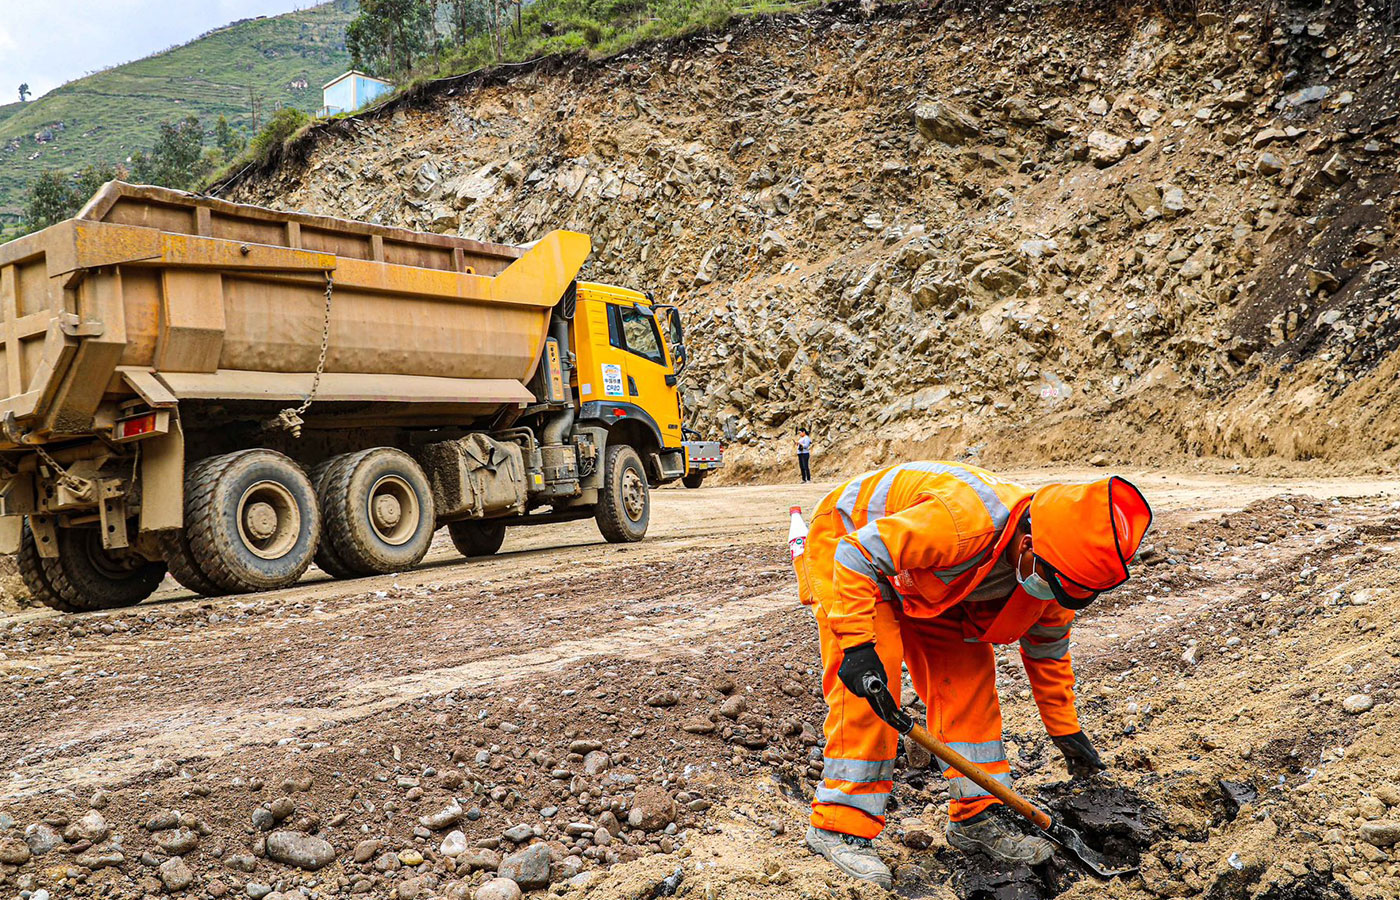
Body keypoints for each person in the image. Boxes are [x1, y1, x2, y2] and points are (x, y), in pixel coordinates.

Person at [794, 461, 1151, 888]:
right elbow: (857, 553)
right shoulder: (962, 521)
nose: (1057, 596)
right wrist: (856, 646)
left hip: (927, 578)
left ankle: (976, 816)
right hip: (851, 546)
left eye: (1071, 592)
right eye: (1054, 583)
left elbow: (1048, 655)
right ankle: (838, 825)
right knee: (874, 684)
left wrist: (1066, 733)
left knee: (969, 681)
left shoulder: (1061, 575)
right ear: (1028, 542)